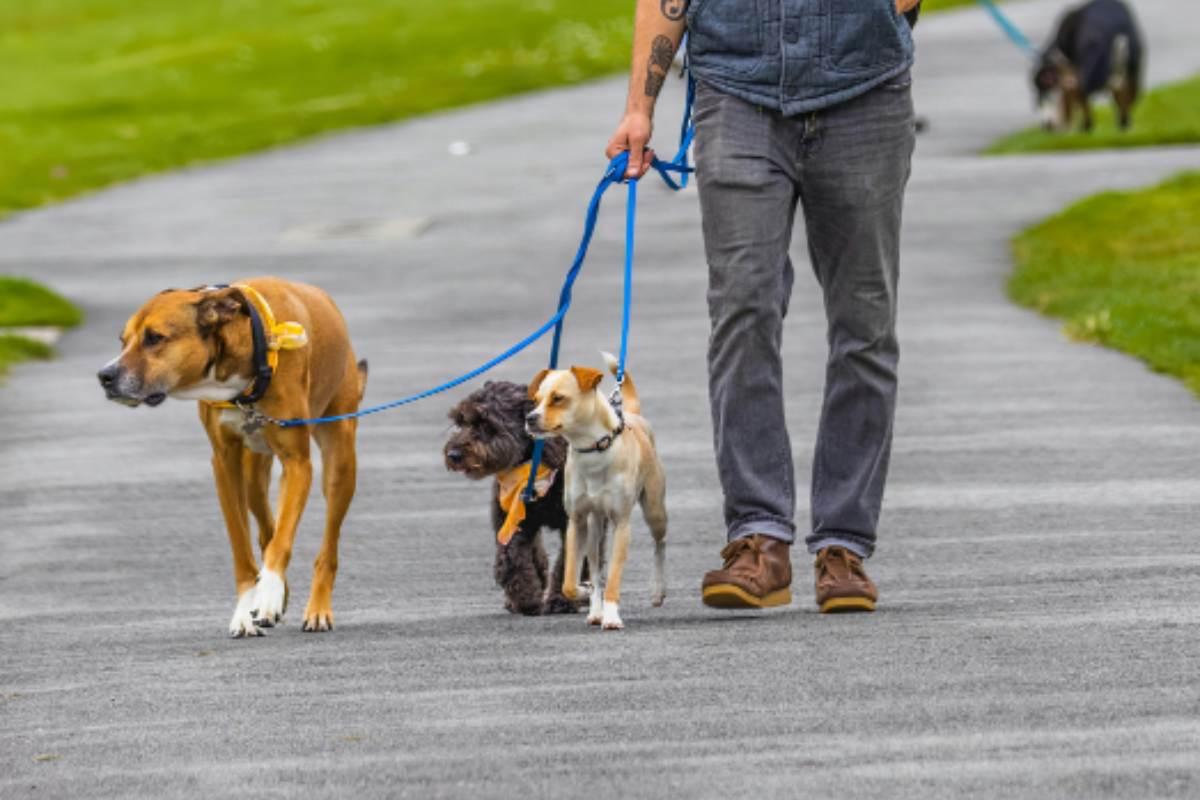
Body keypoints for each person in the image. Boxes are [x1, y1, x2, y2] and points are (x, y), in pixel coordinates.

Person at [605, 0, 920, 613]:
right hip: (737, 93)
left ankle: (843, 545)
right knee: (742, 307)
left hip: (866, 92)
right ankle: (758, 538)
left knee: (865, 323)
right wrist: (638, 108)